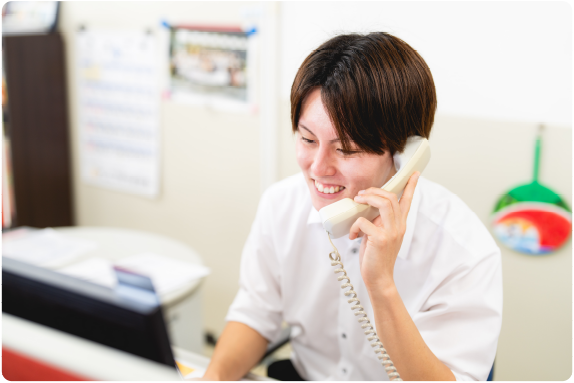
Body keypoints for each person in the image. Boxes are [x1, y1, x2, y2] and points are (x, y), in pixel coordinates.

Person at [203, 32, 502, 382]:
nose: (317, 168)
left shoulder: (464, 250)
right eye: (308, 139)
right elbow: (256, 312)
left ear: (405, 154)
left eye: (346, 149)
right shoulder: (280, 205)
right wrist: (214, 378)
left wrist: (381, 285)